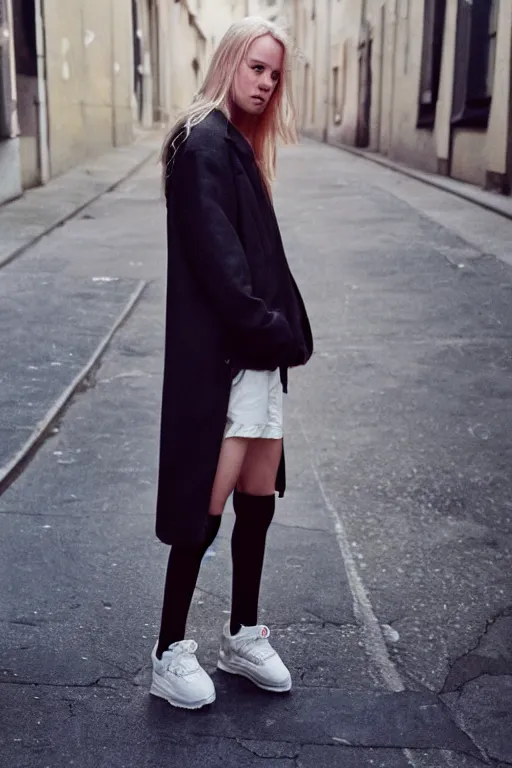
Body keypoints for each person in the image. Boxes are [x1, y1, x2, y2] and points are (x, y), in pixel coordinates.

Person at [151, 16, 313, 710]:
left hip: (254, 362)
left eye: (275, 73)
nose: (266, 83)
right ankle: (167, 650)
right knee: (204, 509)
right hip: (225, 360)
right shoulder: (202, 144)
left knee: (257, 502)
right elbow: (222, 270)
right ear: (228, 63)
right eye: (256, 67)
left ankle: (244, 631)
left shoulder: (238, 146)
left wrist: (277, 339)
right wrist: (282, 335)